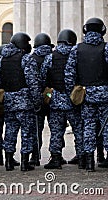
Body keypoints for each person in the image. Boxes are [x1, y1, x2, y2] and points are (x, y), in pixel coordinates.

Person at [65, 17, 108, 172]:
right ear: (102, 30)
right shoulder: (106, 47)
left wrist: (75, 93)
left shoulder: (77, 49)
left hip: (86, 95)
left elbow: (69, 75)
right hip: (105, 95)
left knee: (88, 127)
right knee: (107, 127)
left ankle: (89, 162)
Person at [0, 32, 41, 171]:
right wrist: (37, 101)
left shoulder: (1, 60)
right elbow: (33, 83)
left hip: (8, 101)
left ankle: (8, 161)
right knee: (27, 132)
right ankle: (24, 162)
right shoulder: (26, 59)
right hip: (25, 102)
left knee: (10, 131)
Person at [41, 29, 83, 169]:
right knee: (78, 129)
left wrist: (48, 93)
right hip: (74, 99)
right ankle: (82, 158)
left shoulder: (50, 57)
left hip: (56, 99)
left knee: (56, 131)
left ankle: (56, 158)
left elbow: (43, 77)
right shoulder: (77, 55)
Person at [29, 33, 55, 166]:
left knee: (36, 129)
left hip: (36, 98)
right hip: (52, 96)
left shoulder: (30, 58)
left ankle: (35, 156)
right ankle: (56, 156)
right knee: (56, 129)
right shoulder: (53, 57)